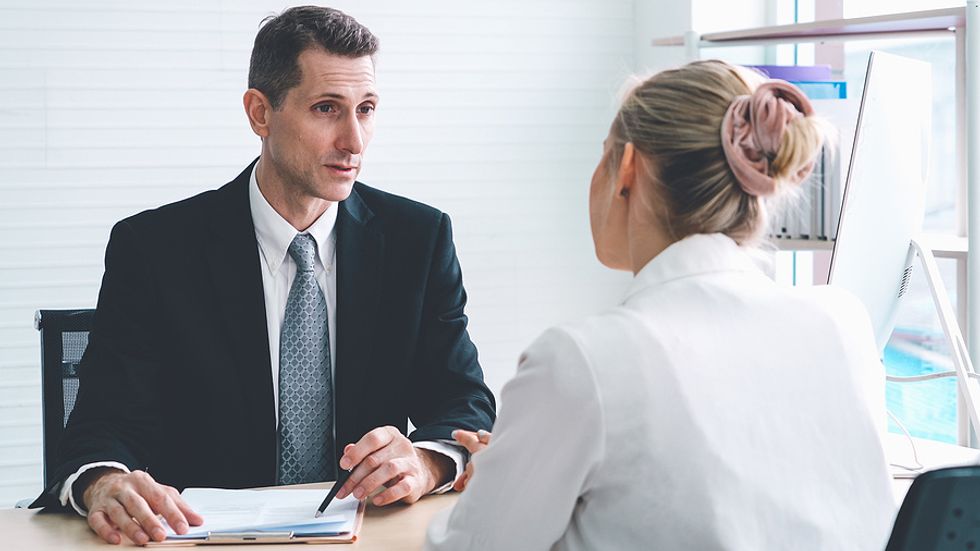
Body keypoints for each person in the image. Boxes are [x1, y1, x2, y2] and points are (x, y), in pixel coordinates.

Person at [29, 6, 496, 546]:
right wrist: (105, 482)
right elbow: (99, 427)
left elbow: (463, 401)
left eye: (365, 109)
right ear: (260, 113)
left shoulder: (418, 239)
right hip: (202, 538)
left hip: (366, 536)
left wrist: (425, 461)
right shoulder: (155, 249)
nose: (355, 140)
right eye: (327, 109)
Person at [426, 60, 896, 550]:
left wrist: (493, 485)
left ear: (627, 168)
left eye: (602, 156)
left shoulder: (583, 360)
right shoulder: (843, 323)